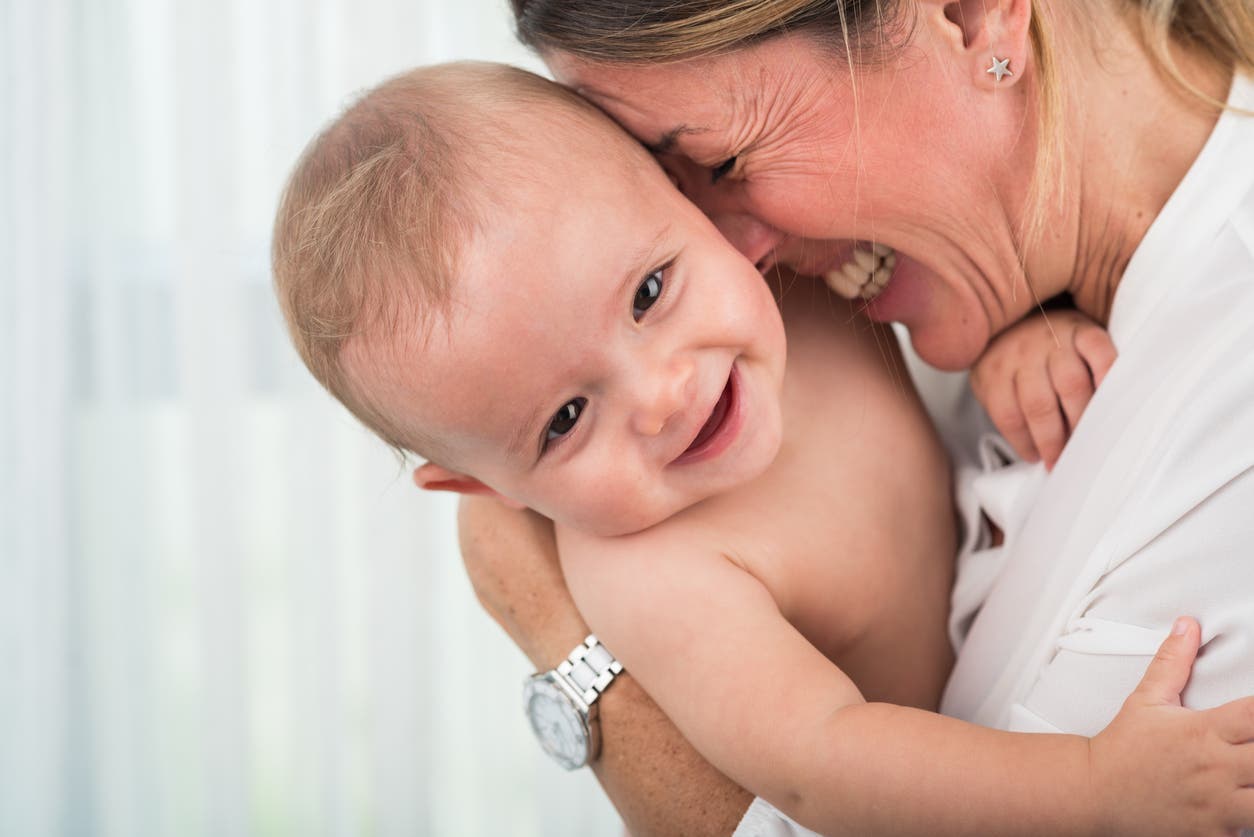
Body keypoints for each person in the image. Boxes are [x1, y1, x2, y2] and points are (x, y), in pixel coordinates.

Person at [271, 61, 1254, 835]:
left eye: (650, 292)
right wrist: (1095, 788)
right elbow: (826, 765)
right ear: (478, 483)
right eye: (566, 421)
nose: (662, 395)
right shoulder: (656, 576)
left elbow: (953, 300)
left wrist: (1016, 340)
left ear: (703, 213)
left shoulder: (802, 294)